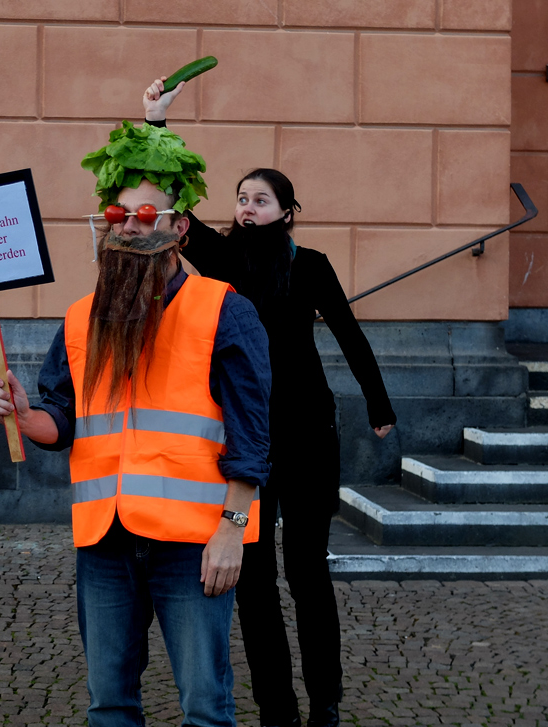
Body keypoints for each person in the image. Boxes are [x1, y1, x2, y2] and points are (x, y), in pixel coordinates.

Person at [0, 120, 272, 726]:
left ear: (179, 228)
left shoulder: (225, 309)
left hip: (193, 544)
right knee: (110, 706)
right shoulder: (81, 316)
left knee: (205, 708)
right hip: (104, 543)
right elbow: (61, 421)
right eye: (120, 213)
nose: (132, 225)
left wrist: (232, 530)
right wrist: (25, 412)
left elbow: (252, 437)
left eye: (148, 214)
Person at [143, 77, 397, 727]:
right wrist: (156, 124)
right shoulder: (224, 258)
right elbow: (172, 201)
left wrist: (379, 402)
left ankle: (326, 701)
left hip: (311, 434)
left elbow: (348, 332)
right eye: (241, 198)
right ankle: (275, 707)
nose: (247, 206)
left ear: (286, 210)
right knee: (252, 580)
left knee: (306, 570)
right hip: (248, 441)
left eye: (260, 199)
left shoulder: (309, 265)